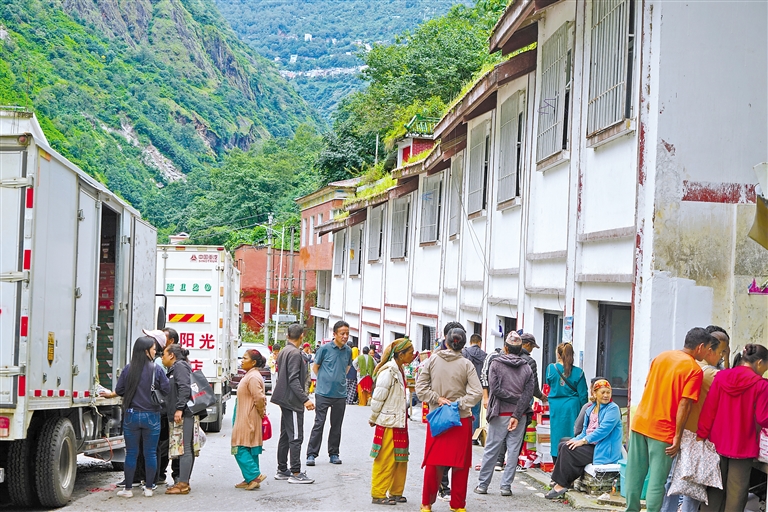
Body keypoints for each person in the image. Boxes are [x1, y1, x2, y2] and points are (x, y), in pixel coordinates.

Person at [624, 327, 715, 512]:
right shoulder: (693, 369)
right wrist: (677, 436)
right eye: (707, 349)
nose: (707, 353)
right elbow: (684, 405)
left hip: (640, 422)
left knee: (634, 475)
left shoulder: (661, 357)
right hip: (663, 430)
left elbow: (648, 385)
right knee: (657, 482)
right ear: (700, 347)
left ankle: (630, 509)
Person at [661, 326, 730, 512]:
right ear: (709, 349)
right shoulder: (710, 373)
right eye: (722, 352)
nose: (722, 356)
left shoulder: (688, 365)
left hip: (680, 429)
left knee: (674, 478)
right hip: (694, 433)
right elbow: (732, 381)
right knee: (692, 481)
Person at [416, 328, 482, 512]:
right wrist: (459, 404)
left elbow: (420, 388)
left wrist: (437, 399)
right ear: (463, 345)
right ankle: (458, 505)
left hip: (438, 418)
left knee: (434, 462)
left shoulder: (432, 360)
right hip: (460, 419)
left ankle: (426, 503)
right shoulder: (466, 364)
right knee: (460, 464)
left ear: (446, 342)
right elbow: (477, 392)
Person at [697, 343, 768, 512]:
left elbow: (709, 409)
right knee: (737, 494)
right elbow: (763, 418)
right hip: (743, 447)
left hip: (717, 443)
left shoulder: (721, 377)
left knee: (713, 490)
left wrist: (701, 435)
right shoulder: (761, 385)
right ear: (759, 362)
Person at [474, 332, 534, 497]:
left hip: (499, 412)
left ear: (505, 348)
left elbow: (495, 390)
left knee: (491, 449)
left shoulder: (496, 364)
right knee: (513, 451)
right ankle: (506, 487)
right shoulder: (527, 367)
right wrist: (517, 411)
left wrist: (513, 399)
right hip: (520, 415)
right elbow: (527, 395)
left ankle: (482, 485)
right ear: (520, 349)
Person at [109, 336, 169, 498]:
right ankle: (149, 488)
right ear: (146, 351)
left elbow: (119, 390)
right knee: (150, 453)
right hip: (152, 416)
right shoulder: (156, 369)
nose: (155, 352)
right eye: (153, 349)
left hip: (131, 416)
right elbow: (166, 389)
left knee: (131, 453)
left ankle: (128, 490)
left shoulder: (128, 369)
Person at [545, 379, 622, 499]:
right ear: (594, 393)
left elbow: (603, 431)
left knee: (567, 449)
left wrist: (584, 441)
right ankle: (565, 481)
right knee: (564, 444)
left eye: (608, 392)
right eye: (602, 392)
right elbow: (585, 431)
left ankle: (562, 484)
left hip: (603, 448)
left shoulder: (613, 409)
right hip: (591, 444)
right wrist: (576, 440)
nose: (606, 395)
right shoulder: (590, 409)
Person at [368, 338, 416, 505]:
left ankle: (396, 491)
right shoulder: (389, 371)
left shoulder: (400, 370)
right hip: (388, 422)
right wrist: (373, 418)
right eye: (410, 353)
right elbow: (378, 397)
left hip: (399, 421)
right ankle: (378, 493)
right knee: (385, 459)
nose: (413, 355)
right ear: (401, 355)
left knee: (400, 459)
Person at [271, 323, 316, 484]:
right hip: (293, 400)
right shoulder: (296, 353)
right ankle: (296, 472)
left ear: (287, 335)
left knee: (285, 434)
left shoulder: (284, 351)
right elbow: (293, 379)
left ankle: (282, 469)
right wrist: (305, 399)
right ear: (302, 336)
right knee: (296, 436)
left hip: (284, 398)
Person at [306, 321, 353, 466]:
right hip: (323, 393)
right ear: (335, 334)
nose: (345, 336)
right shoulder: (324, 349)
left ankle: (334, 453)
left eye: (347, 333)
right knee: (319, 423)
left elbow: (347, 368)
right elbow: (315, 367)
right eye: (342, 333)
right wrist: (325, 380)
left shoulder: (348, 351)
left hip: (340, 394)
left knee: (336, 425)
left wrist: (338, 379)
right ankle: (311, 454)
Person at [162, 343, 198, 495]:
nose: (162, 358)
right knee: (184, 447)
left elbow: (184, 387)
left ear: (171, 355)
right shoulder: (176, 367)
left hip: (185, 413)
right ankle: (183, 482)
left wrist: (179, 409)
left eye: (164, 354)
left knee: (185, 447)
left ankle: (183, 483)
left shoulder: (180, 366)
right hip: (182, 412)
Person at [232, 349, 268, 490]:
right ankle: (250, 479)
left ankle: (254, 475)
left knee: (239, 447)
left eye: (245, 358)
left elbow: (259, 398)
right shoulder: (250, 375)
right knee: (249, 447)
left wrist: (261, 412)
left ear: (253, 362)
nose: (242, 361)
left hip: (248, 417)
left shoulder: (253, 377)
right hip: (245, 415)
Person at [545, 343, 588, 462]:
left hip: (556, 406)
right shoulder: (579, 372)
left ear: (558, 355)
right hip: (573, 406)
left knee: (556, 434)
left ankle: (556, 459)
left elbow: (549, 385)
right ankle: (571, 459)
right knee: (574, 432)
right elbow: (583, 395)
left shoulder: (551, 369)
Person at [462, 333, 487, 441]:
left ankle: (464, 435)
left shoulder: (464, 353)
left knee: (464, 410)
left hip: (465, 387)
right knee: (476, 411)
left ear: (470, 342)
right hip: (478, 388)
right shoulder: (484, 355)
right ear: (480, 343)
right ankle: (473, 437)